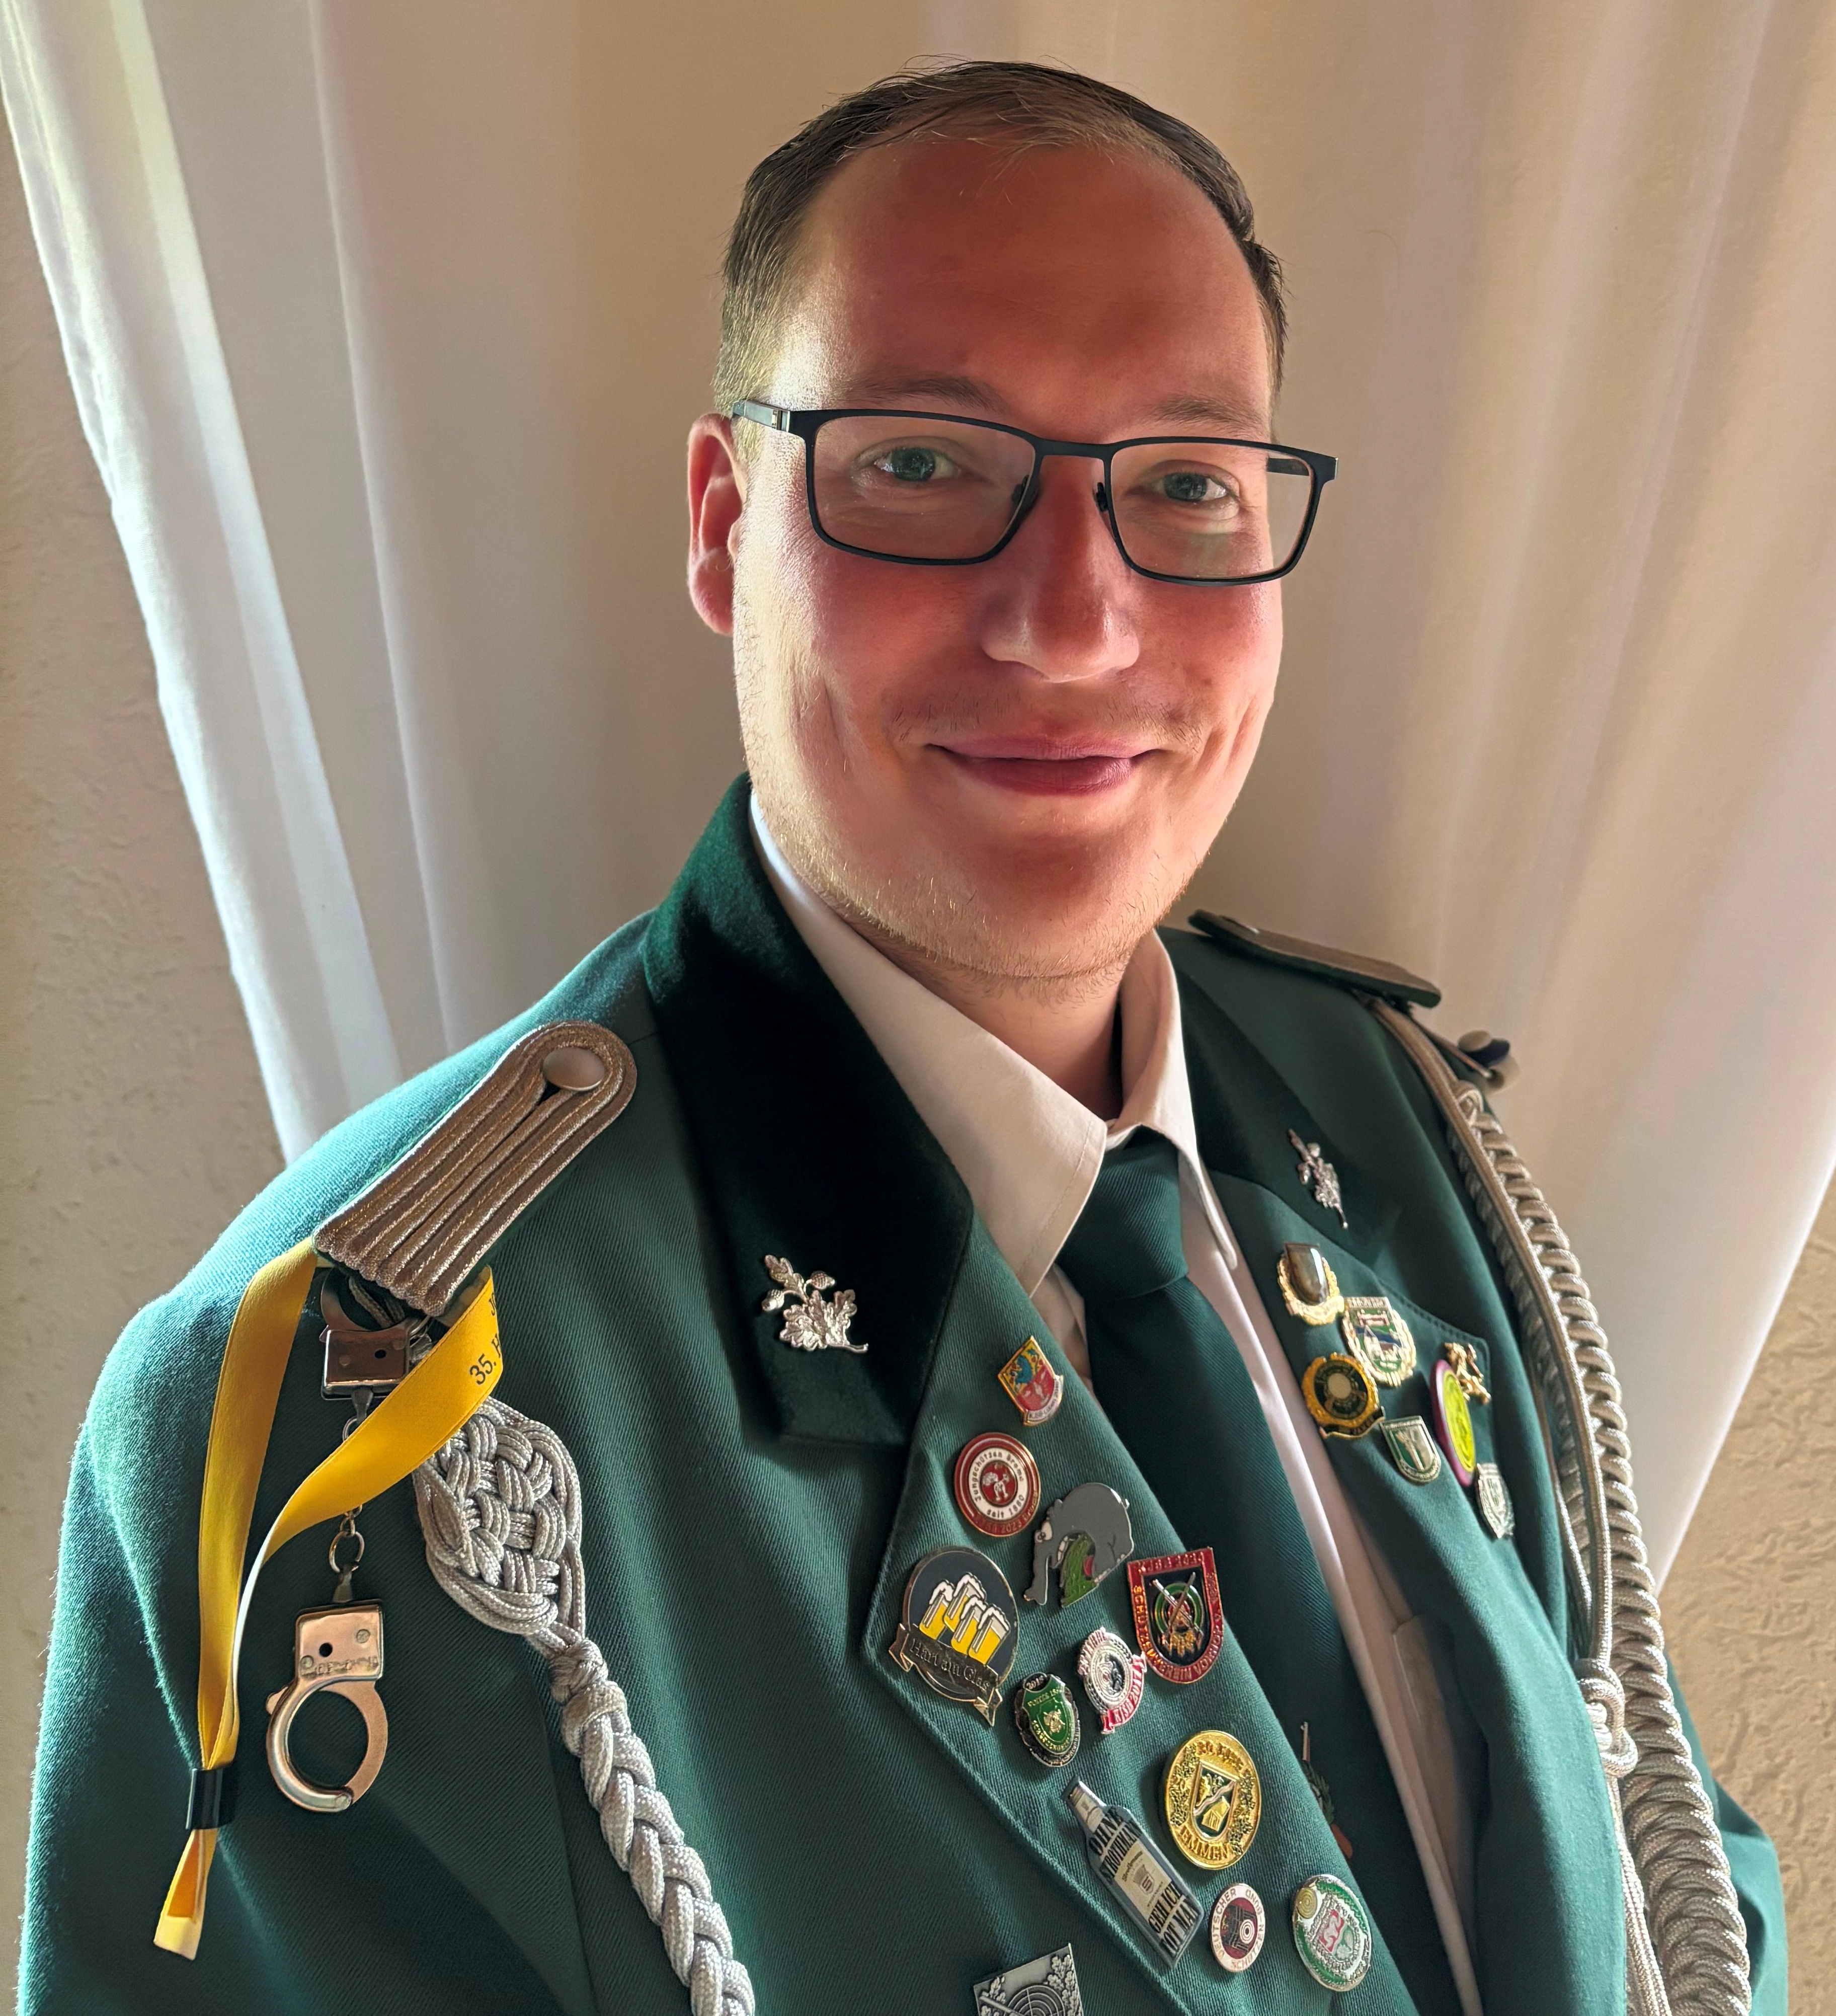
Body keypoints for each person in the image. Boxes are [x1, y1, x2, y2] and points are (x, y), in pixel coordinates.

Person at [22, 60, 1785, 2016]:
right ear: (724, 527)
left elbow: (1660, 1872)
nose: (1074, 619)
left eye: (1185, 482)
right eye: (926, 466)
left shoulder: (1389, 1119)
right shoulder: (360, 1419)